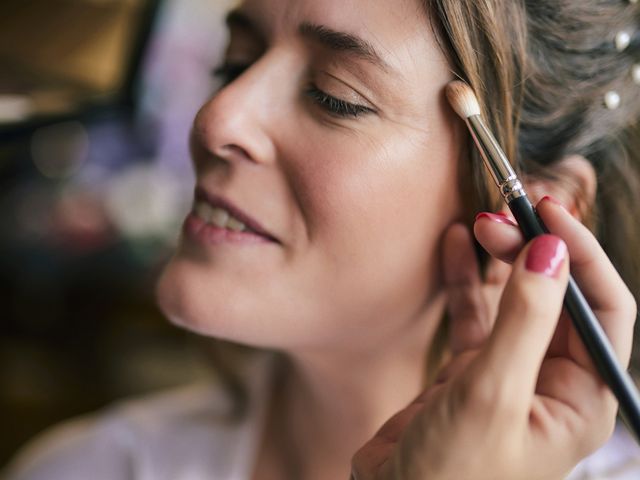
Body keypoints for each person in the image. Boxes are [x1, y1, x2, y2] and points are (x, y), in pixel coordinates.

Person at [5, 0, 640, 478]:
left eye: (335, 97)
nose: (218, 117)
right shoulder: (88, 467)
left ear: (543, 217)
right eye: (235, 62)